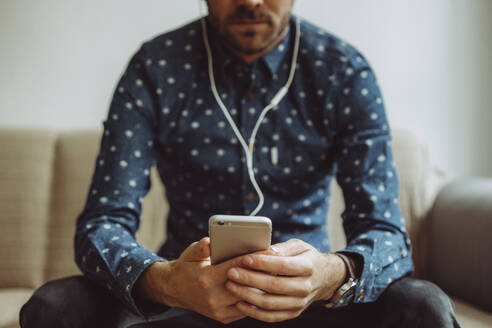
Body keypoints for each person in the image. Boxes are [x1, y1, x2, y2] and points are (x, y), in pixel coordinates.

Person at [20, 0, 461, 327]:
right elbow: (101, 223)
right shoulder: (155, 68)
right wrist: (167, 281)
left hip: (309, 305)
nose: (250, 1)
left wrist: (328, 275)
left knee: (424, 305)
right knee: (54, 307)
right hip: (187, 301)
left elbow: (387, 234)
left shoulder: (342, 72)